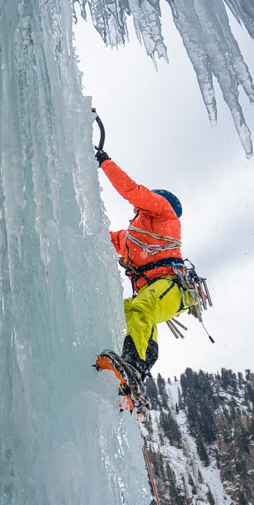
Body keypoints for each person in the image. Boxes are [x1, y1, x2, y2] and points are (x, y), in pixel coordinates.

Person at [95, 147, 190, 379]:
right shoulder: (130, 237)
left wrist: (105, 163)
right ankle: (129, 371)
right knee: (124, 310)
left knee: (142, 307)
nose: (138, 209)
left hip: (172, 286)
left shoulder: (164, 213)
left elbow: (132, 191)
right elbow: (102, 238)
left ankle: (134, 365)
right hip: (152, 290)